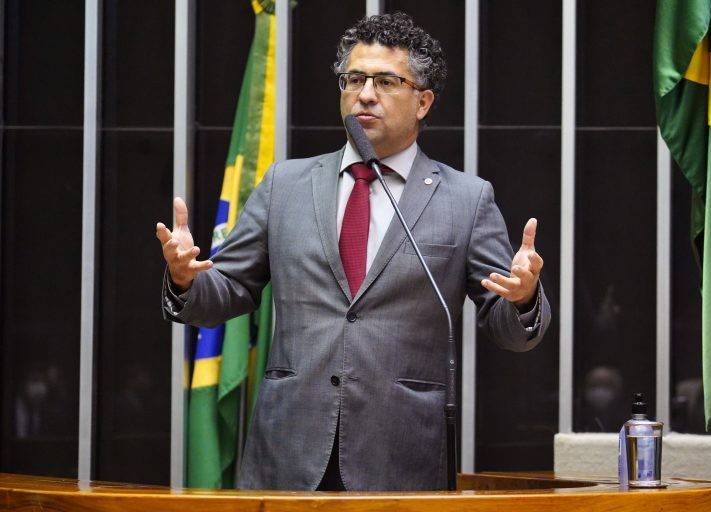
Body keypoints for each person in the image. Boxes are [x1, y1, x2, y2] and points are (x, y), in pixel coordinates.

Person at [156, 12, 551, 492]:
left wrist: (523, 297)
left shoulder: (465, 200)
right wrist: (186, 279)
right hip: (290, 449)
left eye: (386, 81)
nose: (365, 94)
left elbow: (510, 330)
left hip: (401, 455)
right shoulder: (286, 185)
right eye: (354, 79)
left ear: (423, 101)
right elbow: (229, 291)